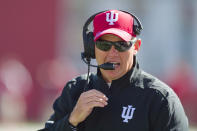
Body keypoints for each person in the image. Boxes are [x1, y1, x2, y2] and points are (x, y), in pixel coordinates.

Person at [40, 10, 188, 131]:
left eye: (121, 45)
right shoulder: (75, 90)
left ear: (136, 47)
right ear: (92, 48)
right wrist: (72, 120)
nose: (112, 52)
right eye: (104, 45)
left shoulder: (160, 99)